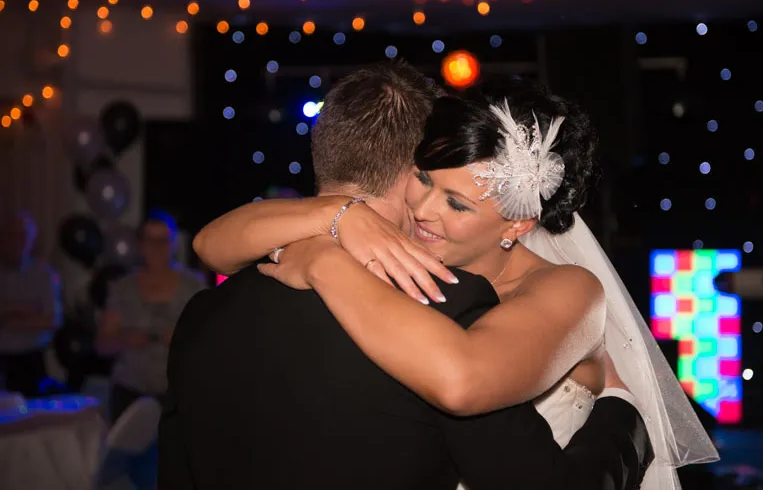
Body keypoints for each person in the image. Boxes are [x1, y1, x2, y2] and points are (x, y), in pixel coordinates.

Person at [195, 74, 718, 488]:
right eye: (423, 179)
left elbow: (463, 383)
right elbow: (211, 245)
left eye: (457, 203)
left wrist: (321, 263)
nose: (422, 210)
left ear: (517, 224)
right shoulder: (403, 267)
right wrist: (340, 215)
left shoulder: (569, 291)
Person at [96, 210, 205, 421]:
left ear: (174, 244)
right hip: (130, 391)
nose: (156, 248)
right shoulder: (123, 288)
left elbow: (210, 341)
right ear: (140, 244)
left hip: (178, 392)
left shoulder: (193, 286)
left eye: (163, 241)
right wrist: (125, 339)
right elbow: (102, 344)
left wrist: (181, 339)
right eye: (150, 240)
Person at [0, 211, 63, 397]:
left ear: (32, 242)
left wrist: (7, 319)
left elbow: (52, 320)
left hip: (30, 360)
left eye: (22, 236)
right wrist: (22, 308)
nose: (16, 241)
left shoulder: (46, 274)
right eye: (11, 234)